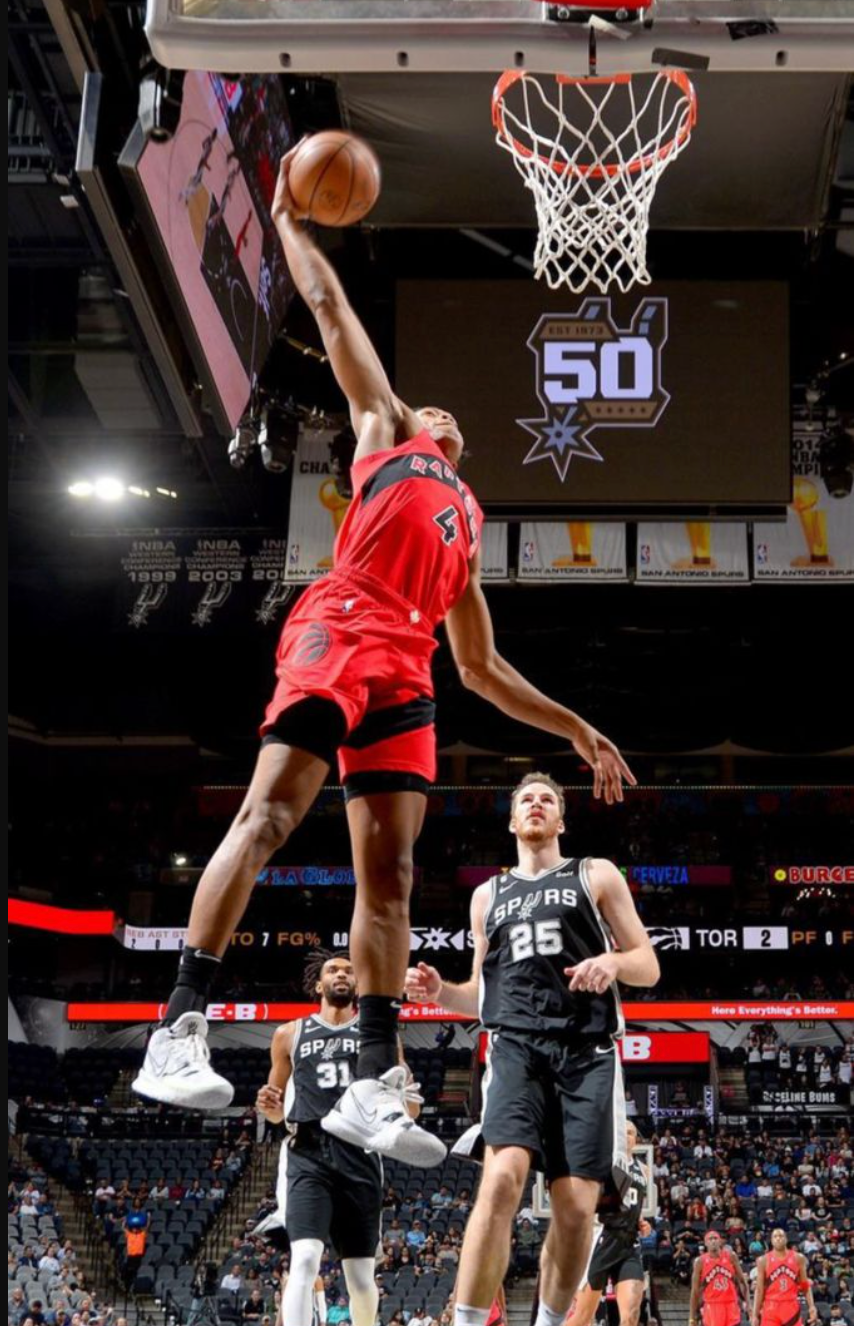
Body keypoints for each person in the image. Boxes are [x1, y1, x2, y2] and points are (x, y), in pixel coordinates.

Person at [132, 146, 636, 1159]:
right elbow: (329, 316)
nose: (442, 413)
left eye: (452, 417)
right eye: (431, 406)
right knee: (271, 813)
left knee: (392, 881)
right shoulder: (386, 431)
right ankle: (176, 1029)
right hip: (341, 625)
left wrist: (579, 730)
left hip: (406, 665)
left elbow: (483, 671)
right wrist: (288, 225)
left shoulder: (466, 528)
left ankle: (372, 1080)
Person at [404, 772, 659, 1326]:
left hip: (586, 1052)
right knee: (500, 1180)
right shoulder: (486, 896)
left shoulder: (595, 874)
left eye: (548, 799)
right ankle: (468, 1320)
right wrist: (439, 992)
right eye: (527, 800)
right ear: (513, 820)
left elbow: (648, 963)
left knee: (574, 1208)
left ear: (561, 820)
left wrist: (612, 962)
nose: (537, 805)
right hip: (516, 1047)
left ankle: (548, 1320)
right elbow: (479, 993)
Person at [253, 952, 414, 1326]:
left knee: (359, 1276)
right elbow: (277, 1112)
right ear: (318, 985)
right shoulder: (289, 1034)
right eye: (333, 970)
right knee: (305, 1257)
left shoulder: (381, 1037)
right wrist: (267, 1106)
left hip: (360, 1152)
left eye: (348, 971)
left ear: (358, 985)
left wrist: (408, 1096)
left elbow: (410, 1110)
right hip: (309, 1150)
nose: (341, 974)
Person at [561, 1123, 652, 1326]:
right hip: (602, 1238)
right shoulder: (605, 1163)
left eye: (630, 1133)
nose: (626, 1136)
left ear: (636, 1140)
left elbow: (634, 1203)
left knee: (631, 1315)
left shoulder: (644, 1170)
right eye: (623, 1132)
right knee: (583, 1317)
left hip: (629, 1244)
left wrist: (641, 1222)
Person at [752, 1230, 817, 1326]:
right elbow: (759, 1290)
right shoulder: (763, 1260)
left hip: (791, 1306)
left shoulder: (798, 1258)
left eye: (781, 1236)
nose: (778, 1238)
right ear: (771, 1240)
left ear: (786, 1239)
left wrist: (811, 1307)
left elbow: (805, 1285)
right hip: (770, 1307)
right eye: (775, 1236)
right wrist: (755, 1314)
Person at [689, 1231, 750, 1326]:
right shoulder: (700, 1262)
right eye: (710, 1239)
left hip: (731, 1305)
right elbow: (695, 1291)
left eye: (715, 1238)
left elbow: (742, 1282)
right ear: (705, 1243)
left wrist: (748, 1305)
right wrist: (692, 1317)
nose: (713, 1241)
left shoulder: (731, 1256)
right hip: (711, 1307)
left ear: (720, 1241)